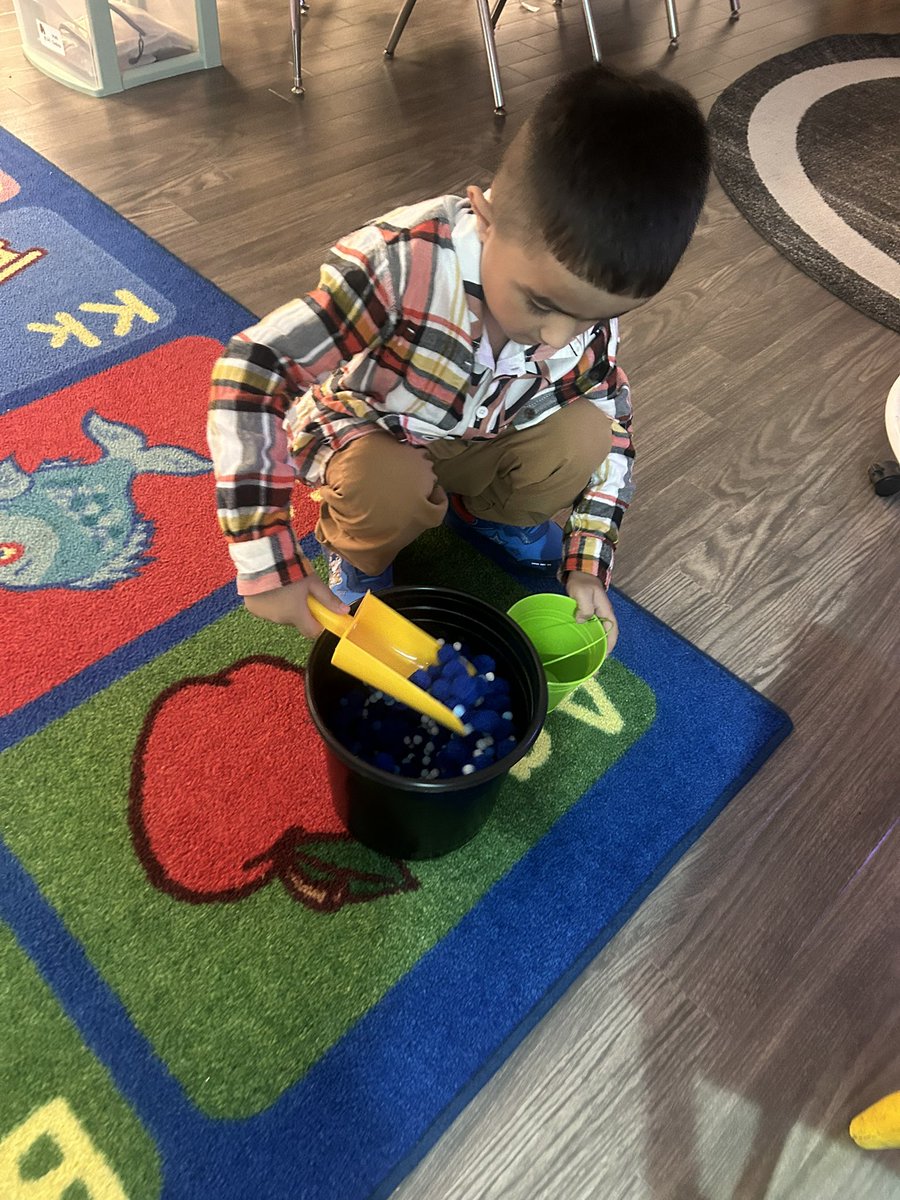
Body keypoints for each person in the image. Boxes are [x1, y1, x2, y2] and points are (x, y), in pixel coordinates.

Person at [207, 64, 710, 645]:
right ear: (487, 219)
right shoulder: (403, 266)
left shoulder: (577, 312)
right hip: (374, 435)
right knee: (384, 485)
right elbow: (252, 370)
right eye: (541, 302)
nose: (557, 337)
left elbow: (614, 426)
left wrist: (588, 560)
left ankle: (492, 515)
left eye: (594, 316)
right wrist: (266, 560)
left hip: (481, 437)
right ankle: (360, 554)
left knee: (586, 435)